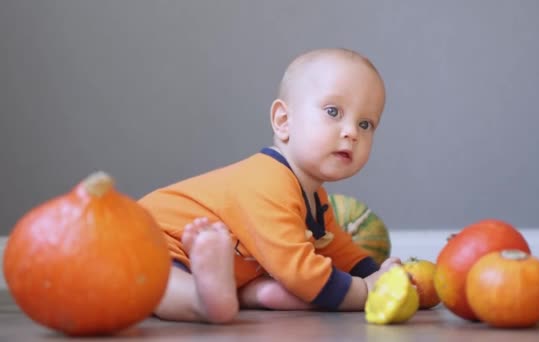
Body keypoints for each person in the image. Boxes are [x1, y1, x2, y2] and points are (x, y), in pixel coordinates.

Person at [138, 48, 402, 324]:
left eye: (365, 123)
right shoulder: (267, 181)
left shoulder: (314, 198)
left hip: (203, 256)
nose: (352, 132)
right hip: (150, 237)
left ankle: (243, 291)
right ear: (283, 121)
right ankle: (205, 301)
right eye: (333, 111)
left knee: (277, 273)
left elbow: (339, 251)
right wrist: (366, 290)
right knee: (161, 281)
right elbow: (298, 269)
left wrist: (388, 276)